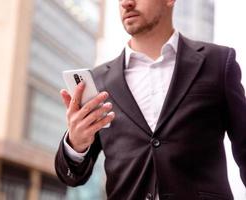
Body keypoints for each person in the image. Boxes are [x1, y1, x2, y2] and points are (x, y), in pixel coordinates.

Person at [55, 0, 246, 199]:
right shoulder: (99, 82)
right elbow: (72, 177)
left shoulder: (217, 62)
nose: (127, 3)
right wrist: (76, 144)